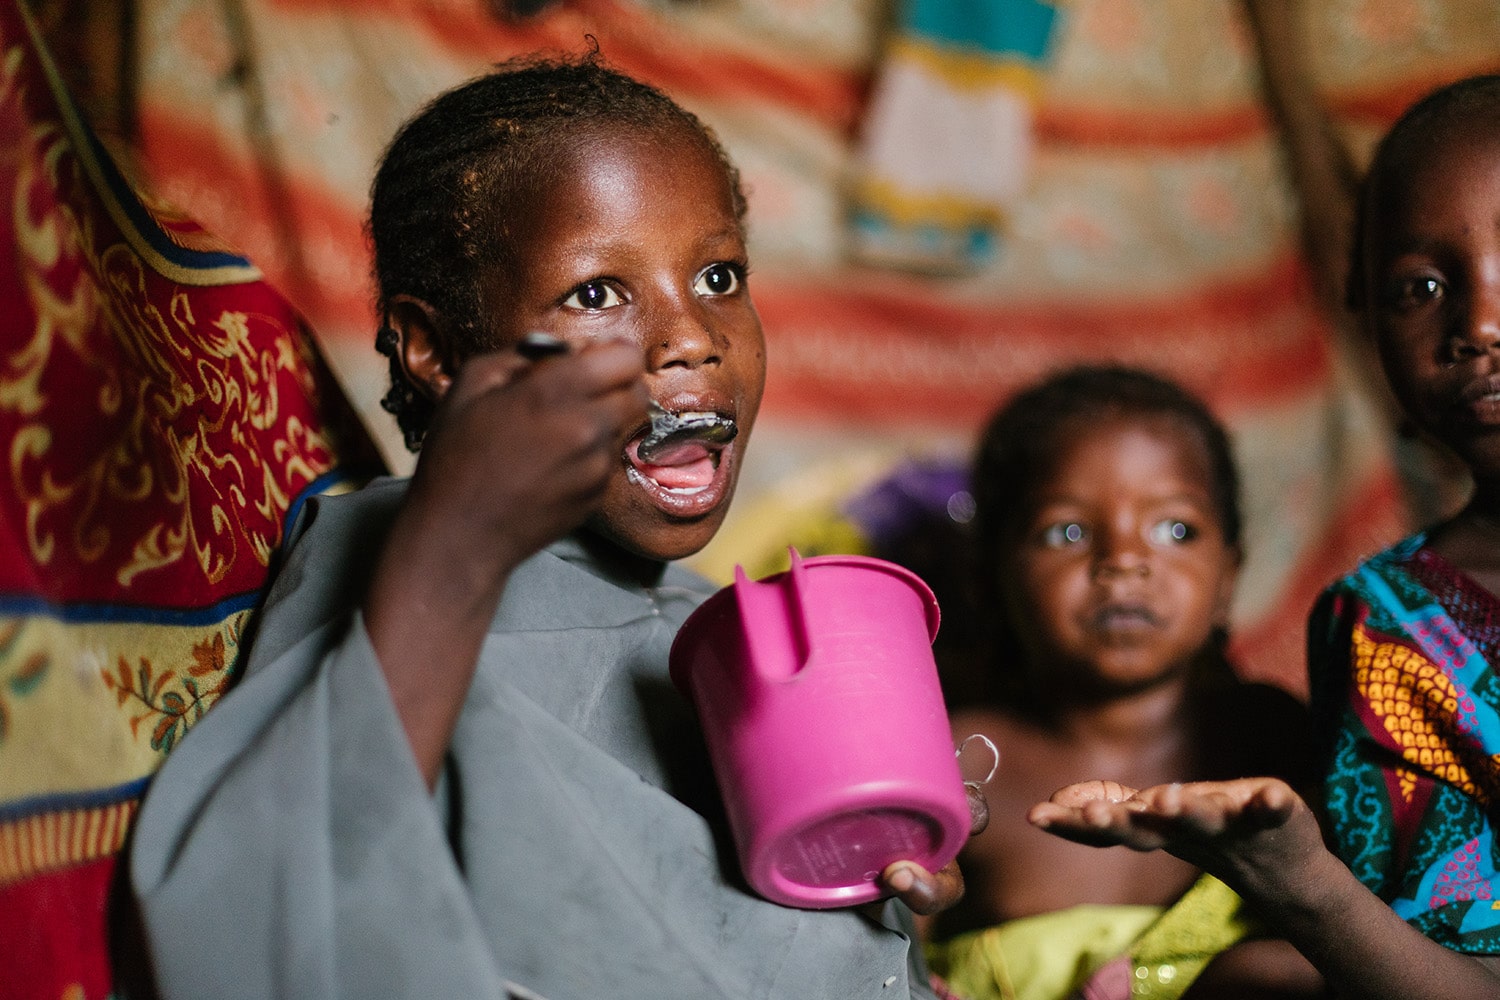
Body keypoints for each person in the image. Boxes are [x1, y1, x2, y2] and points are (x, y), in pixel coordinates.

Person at [129, 52, 976, 1000]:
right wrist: (457, 545)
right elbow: (260, 930)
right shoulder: (404, 556)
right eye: (596, 293)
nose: (693, 336)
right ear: (438, 351)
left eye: (719, 274)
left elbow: (729, 917)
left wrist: (878, 897)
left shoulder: (708, 624)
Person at [1028, 74, 1500, 1000]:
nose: (1479, 325)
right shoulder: (1391, 631)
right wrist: (1306, 887)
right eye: (1423, 286)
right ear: (1365, 311)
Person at [923, 366, 1323, 1000]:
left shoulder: (1272, 739)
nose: (1124, 560)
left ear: (1228, 577)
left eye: (1175, 530)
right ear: (989, 580)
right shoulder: (958, 757)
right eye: (1068, 532)